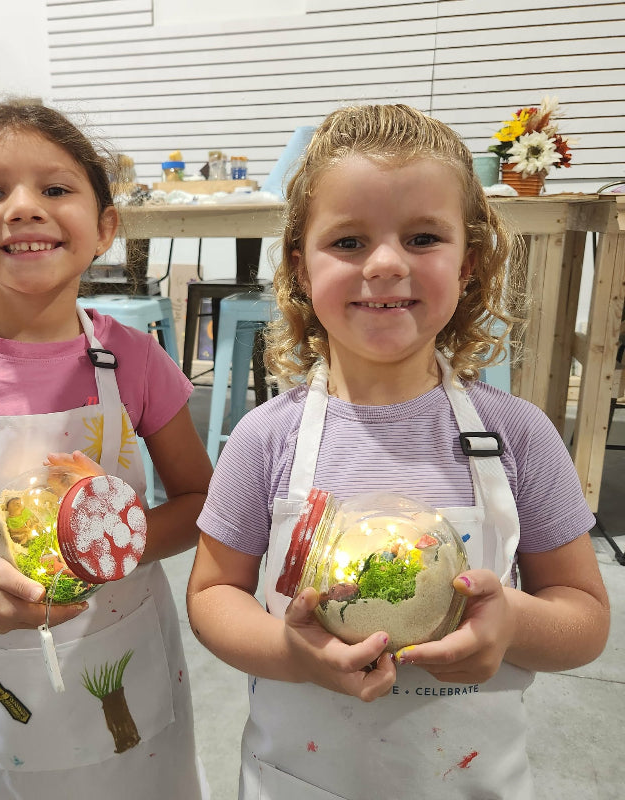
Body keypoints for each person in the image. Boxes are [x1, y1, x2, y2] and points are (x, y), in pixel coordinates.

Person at [186, 104, 610, 799]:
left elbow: (586, 619)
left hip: (470, 778)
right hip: (299, 779)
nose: (385, 264)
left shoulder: (519, 436)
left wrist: (516, 621)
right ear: (299, 264)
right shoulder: (266, 439)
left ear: (468, 263)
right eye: (348, 242)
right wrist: (290, 650)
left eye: (422, 238)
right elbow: (210, 596)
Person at [0, 100, 212, 799]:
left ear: (105, 227)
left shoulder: (134, 359)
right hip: (6, 666)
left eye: (55, 189)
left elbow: (202, 502)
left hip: (124, 643)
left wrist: (107, 547)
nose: (24, 208)